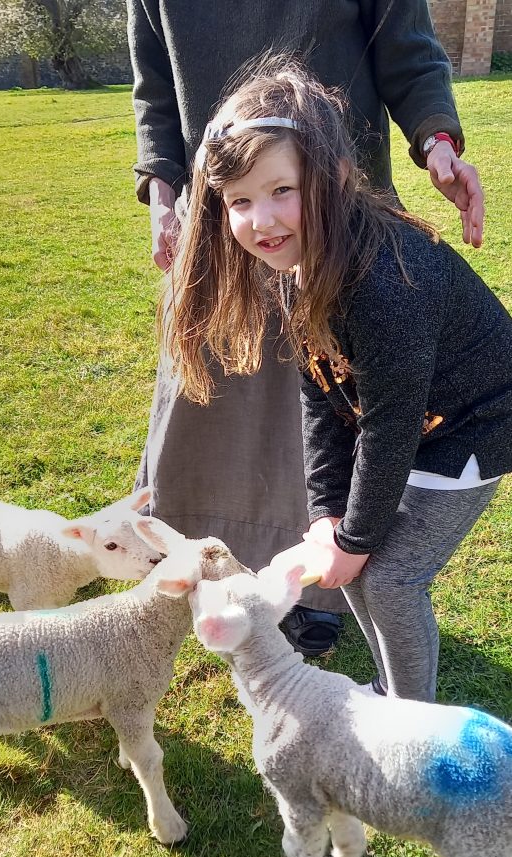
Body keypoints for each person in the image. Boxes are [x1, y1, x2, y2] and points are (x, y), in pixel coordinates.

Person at [127, 0, 485, 656]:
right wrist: (162, 191)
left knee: (343, 403)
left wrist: (435, 141)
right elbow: (153, 78)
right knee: (205, 402)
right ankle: (190, 566)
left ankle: (314, 591)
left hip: (329, 220)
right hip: (222, 220)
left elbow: (406, 49)